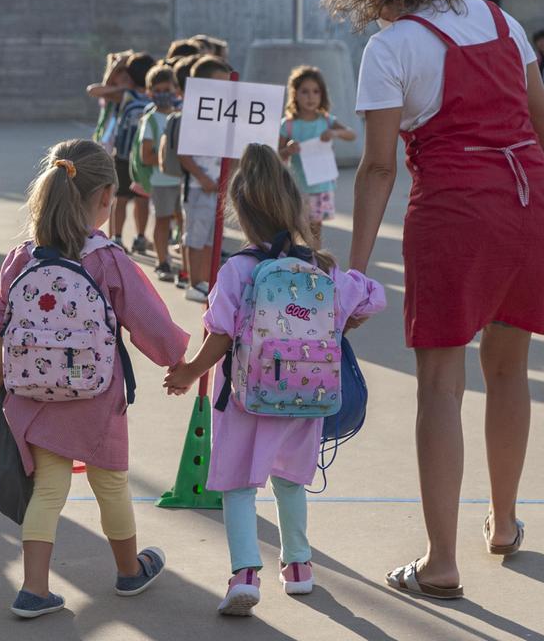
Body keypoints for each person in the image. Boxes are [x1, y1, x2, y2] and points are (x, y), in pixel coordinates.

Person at [324, 0, 544, 599]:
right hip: (528, 202)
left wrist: (357, 271)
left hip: (457, 210)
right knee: (509, 371)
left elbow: (376, 170)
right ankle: (506, 523)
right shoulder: (498, 18)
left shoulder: (391, 47)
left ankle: (441, 561)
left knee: (440, 388)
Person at [163, 143, 386, 616]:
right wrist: (342, 318)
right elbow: (371, 298)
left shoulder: (238, 270)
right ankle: (299, 567)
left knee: (239, 485)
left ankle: (245, 573)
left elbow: (219, 338)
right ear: (294, 207)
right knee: (290, 481)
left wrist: (187, 373)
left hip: (245, 400)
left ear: (242, 213)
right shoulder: (321, 269)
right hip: (305, 401)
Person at [0, 139, 189, 619]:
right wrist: (178, 362)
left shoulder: (22, 257)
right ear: (105, 198)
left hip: (33, 393)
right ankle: (129, 571)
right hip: (95, 396)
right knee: (111, 484)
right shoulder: (106, 258)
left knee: (49, 489)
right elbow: (152, 324)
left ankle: (34, 589)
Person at [277, 65, 357, 248]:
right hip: (296, 187)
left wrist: (335, 133)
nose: (310, 97)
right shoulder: (288, 125)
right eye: (304, 91)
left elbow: (351, 134)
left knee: (315, 229)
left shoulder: (326, 121)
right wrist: (288, 150)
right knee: (294, 227)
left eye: (315, 91)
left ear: (322, 95)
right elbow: (276, 156)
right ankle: (294, 261)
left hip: (320, 185)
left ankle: (314, 262)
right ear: (295, 94)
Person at [177, 55, 231, 303]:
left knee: (211, 238)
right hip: (199, 187)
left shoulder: (225, 116)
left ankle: (207, 282)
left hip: (216, 188)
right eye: (219, 82)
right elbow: (184, 155)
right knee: (195, 238)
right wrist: (204, 177)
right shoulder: (192, 115)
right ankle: (194, 282)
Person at [138, 64, 181, 281]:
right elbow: (146, 156)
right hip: (161, 180)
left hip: (184, 180)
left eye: (167, 89)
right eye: (158, 90)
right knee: (163, 221)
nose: (163, 94)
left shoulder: (182, 116)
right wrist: (171, 159)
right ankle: (162, 261)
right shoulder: (150, 120)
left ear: (175, 89)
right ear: (150, 92)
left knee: (184, 222)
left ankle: (185, 265)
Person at [109, 52, 155, 254]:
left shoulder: (126, 95)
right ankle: (140, 236)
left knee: (121, 198)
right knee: (142, 199)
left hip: (123, 155)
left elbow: (101, 89)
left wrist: (118, 65)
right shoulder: (154, 98)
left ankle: (117, 237)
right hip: (145, 158)